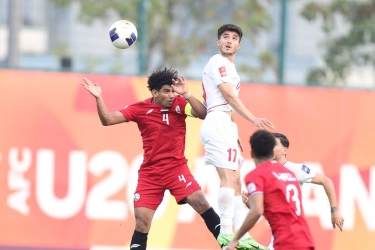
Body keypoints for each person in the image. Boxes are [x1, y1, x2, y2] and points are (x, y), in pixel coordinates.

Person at [82, 68, 222, 250]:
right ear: (154, 93)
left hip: (176, 169)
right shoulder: (140, 109)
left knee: (201, 202)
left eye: (173, 90)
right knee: (142, 223)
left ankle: (230, 244)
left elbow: (203, 113)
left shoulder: (180, 104)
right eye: (166, 91)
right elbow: (108, 119)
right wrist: (99, 98)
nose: (171, 95)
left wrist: (186, 93)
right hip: (151, 174)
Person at [199, 23, 274, 249]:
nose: (229, 40)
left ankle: (244, 237)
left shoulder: (232, 69)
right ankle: (225, 232)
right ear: (218, 42)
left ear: (239, 45)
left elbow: (229, 106)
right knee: (228, 179)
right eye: (225, 37)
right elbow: (228, 97)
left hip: (226, 125)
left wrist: (235, 130)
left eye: (233, 38)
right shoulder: (217, 62)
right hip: (216, 120)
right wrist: (252, 119)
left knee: (237, 183)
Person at [226, 130, 315, 250]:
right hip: (305, 240)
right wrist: (252, 204)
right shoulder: (289, 174)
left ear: (252, 153)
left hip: (286, 242)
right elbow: (279, 209)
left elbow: (257, 211)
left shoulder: (256, 176)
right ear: (273, 153)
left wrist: (235, 239)